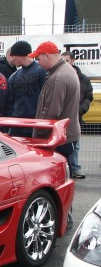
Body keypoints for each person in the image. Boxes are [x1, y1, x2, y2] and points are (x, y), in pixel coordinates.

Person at [29, 41, 81, 171]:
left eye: (39, 58)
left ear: (47, 56)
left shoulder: (58, 77)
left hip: (57, 139)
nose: (38, 63)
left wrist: (38, 135)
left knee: (54, 178)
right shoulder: (66, 70)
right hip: (66, 136)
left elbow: (51, 112)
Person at [61, 51, 92, 179]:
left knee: (76, 145)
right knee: (62, 144)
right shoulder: (61, 75)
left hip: (77, 117)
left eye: (67, 60)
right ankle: (65, 168)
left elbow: (89, 96)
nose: (65, 63)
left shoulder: (83, 78)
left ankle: (75, 168)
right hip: (63, 118)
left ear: (73, 61)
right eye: (63, 61)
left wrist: (82, 109)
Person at [7, 40, 47, 137]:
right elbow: (10, 101)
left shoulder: (41, 71)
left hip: (35, 124)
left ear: (20, 55)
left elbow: (46, 98)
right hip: (17, 125)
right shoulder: (14, 76)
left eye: (13, 56)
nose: (12, 59)